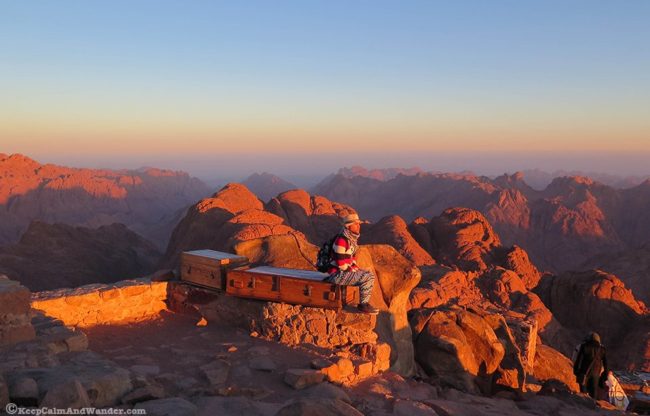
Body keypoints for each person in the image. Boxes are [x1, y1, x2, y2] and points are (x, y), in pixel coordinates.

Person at [324, 213, 378, 315]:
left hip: (342, 273)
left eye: (359, 224)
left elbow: (351, 260)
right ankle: (363, 305)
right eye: (356, 224)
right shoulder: (341, 240)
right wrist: (353, 271)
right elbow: (341, 264)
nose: (359, 226)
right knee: (368, 277)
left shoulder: (350, 240)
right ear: (348, 226)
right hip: (335, 275)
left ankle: (364, 304)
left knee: (367, 274)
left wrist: (356, 269)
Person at [573, 332, 608, 399]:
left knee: (583, 394)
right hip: (596, 375)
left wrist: (576, 371)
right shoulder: (602, 349)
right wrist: (604, 376)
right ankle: (592, 406)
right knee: (593, 394)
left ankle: (583, 406)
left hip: (584, 373)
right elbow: (605, 364)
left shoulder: (584, 346)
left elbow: (579, 360)